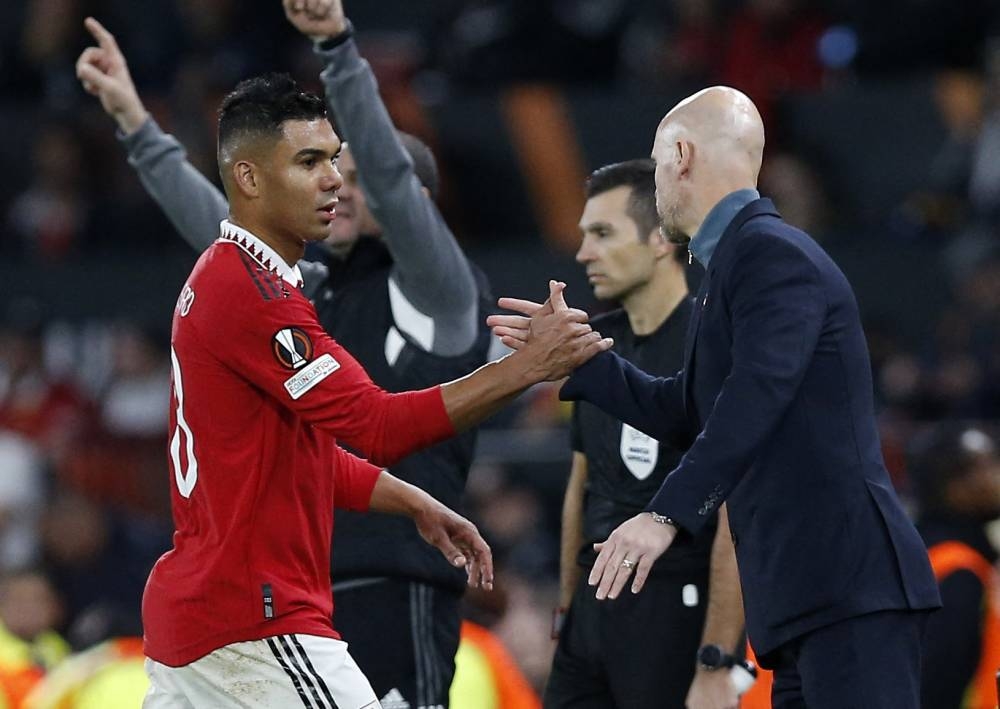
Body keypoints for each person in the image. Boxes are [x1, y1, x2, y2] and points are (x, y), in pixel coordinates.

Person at [111, 72, 608, 708]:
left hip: (207, 616)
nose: (333, 181)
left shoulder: (235, 277)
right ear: (250, 179)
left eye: (335, 162)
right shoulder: (256, 295)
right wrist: (528, 365)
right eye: (309, 162)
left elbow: (299, 456)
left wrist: (412, 502)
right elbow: (377, 426)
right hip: (256, 620)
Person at [76, 2, 504, 705]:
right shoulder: (295, 285)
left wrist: (337, 48)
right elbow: (219, 216)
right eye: (324, 166)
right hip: (288, 594)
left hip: (389, 588)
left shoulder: (439, 289)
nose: (335, 185)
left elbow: (393, 185)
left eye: (350, 172)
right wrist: (135, 124)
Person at [488, 86, 942, 709]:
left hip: (848, 591)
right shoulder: (730, 266)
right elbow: (691, 412)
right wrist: (584, 363)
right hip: (807, 601)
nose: (657, 191)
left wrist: (665, 514)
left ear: (680, 154)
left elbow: (759, 395)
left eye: (656, 167)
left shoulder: (770, 255)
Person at [545, 159, 745, 709]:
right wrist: (567, 609)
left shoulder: (715, 344)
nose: (584, 252)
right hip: (590, 619)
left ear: (660, 240)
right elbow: (580, 488)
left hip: (676, 606)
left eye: (603, 233)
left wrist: (717, 658)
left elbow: (736, 513)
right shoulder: (593, 348)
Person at [910, 424, 1000, 709]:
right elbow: (937, 686)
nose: (995, 475)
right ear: (950, 486)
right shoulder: (959, 569)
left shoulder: (919, 550)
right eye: (983, 466)